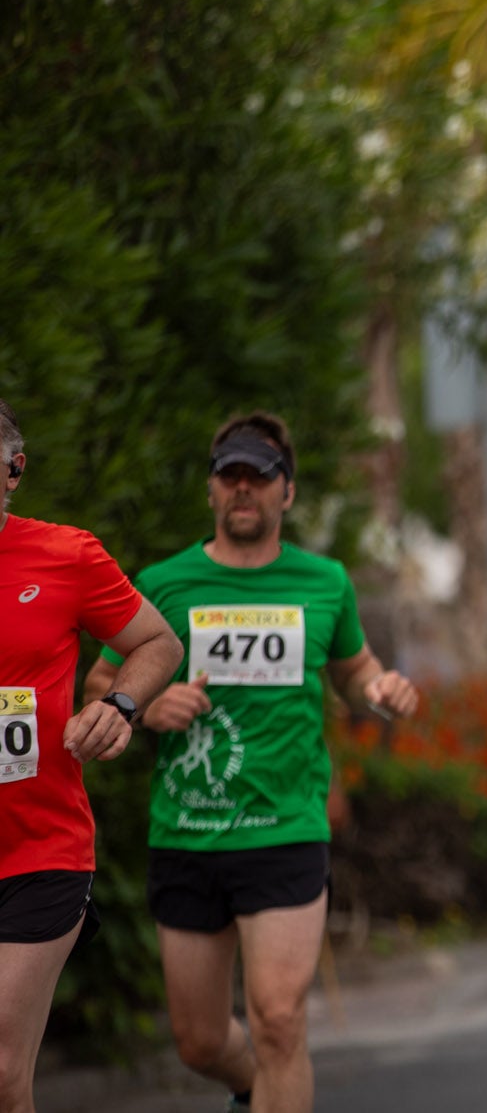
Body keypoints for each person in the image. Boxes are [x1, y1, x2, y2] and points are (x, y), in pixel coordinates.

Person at [85, 413, 420, 1113]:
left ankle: (268, 1079)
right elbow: (99, 684)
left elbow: (355, 672)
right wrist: (146, 704)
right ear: (210, 489)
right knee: (200, 1040)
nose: (243, 489)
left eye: (258, 477)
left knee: (278, 1021)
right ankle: (248, 1088)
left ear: (286, 493)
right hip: (189, 830)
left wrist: (379, 689)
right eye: (230, 475)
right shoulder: (166, 583)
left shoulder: (324, 581)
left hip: (285, 826)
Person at [0, 397, 183, 1113]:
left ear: (13, 470)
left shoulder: (67, 554)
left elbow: (159, 641)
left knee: (3, 1073)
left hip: (41, 849)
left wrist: (119, 705)